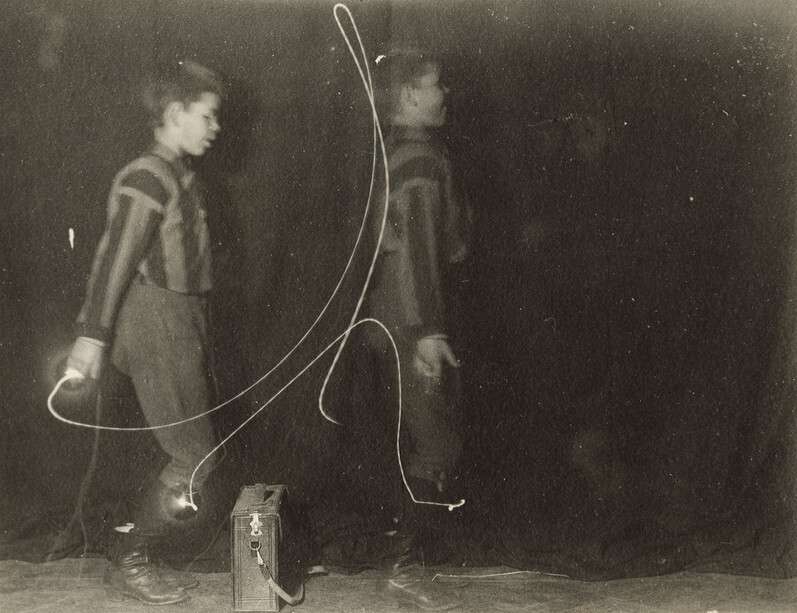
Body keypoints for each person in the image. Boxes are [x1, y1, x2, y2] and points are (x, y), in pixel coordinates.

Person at [64, 59, 224, 605]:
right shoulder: (148, 175)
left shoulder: (178, 174)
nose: (215, 127)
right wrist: (91, 335)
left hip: (179, 320)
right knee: (195, 456)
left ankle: (139, 553)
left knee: (186, 449)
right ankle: (132, 560)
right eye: (207, 115)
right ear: (175, 114)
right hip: (156, 320)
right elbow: (115, 258)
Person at [362, 49, 471, 610]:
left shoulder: (394, 151)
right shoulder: (421, 161)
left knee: (410, 434)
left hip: (386, 314)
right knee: (433, 439)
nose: (444, 93)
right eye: (436, 84)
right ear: (408, 95)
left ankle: (405, 562)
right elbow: (418, 253)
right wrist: (429, 330)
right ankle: (406, 569)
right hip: (409, 316)